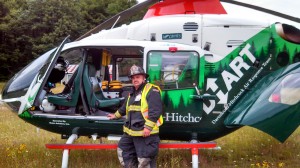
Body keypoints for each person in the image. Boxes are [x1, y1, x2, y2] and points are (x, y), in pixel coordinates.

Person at [107, 64, 163, 168]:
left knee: (145, 161)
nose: (135, 79)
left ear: (144, 78)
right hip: (131, 133)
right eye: (133, 78)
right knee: (123, 150)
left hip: (146, 134)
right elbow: (125, 108)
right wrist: (115, 115)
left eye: (137, 77)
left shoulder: (151, 90)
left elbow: (155, 111)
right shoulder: (132, 92)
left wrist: (148, 127)